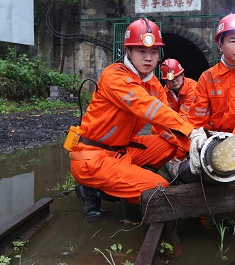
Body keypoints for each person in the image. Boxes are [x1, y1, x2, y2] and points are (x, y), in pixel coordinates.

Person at [67, 18, 207, 217]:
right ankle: (93, 188)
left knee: (171, 144)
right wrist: (191, 131)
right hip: (94, 156)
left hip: (121, 149)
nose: (148, 58)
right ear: (129, 52)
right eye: (141, 51)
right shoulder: (114, 76)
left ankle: (128, 177)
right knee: (159, 188)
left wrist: (194, 146)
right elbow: (148, 107)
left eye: (153, 52)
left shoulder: (153, 85)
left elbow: (165, 123)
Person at [173, 12, 235, 182]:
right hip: (215, 141)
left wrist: (234, 142)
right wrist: (182, 153)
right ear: (220, 45)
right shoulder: (208, 77)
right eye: (232, 41)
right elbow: (196, 119)